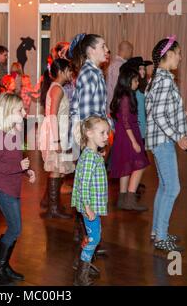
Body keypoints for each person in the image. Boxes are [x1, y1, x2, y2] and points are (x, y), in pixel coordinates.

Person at [145, 35, 187, 252]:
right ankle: (161, 236)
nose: (181, 57)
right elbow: (158, 114)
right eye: (178, 53)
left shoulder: (158, 77)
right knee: (173, 188)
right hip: (163, 141)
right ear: (168, 55)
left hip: (159, 140)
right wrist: (178, 136)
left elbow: (161, 111)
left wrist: (182, 114)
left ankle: (158, 231)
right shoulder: (165, 78)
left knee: (165, 186)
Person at [0, 93, 36, 285]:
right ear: (8, 113)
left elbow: (15, 161)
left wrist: (27, 171)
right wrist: (19, 168)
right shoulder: (2, 136)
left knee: (14, 228)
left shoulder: (14, 134)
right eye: (20, 110)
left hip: (12, 187)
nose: (24, 113)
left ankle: (3, 266)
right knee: (15, 228)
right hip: (2, 188)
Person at [72, 116, 110, 286]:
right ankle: (81, 276)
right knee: (94, 238)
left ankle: (81, 263)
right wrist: (87, 207)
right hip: (90, 206)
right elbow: (83, 184)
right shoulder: (88, 158)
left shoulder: (92, 154)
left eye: (107, 133)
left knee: (92, 236)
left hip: (91, 205)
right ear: (89, 133)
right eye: (102, 132)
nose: (106, 136)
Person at [109, 67, 150, 211]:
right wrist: (134, 142)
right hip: (129, 135)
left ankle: (122, 200)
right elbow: (126, 121)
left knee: (126, 167)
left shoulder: (124, 96)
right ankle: (130, 199)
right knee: (140, 164)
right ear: (127, 81)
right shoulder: (126, 97)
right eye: (135, 80)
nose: (137, 83)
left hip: (125, 135)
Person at [39, 58, 75, 218]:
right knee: (55, 169)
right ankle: (52, 209)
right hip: (55, 132)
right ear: (61, 71)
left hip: (59, 131)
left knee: (59, 170)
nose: (71, 72)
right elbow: (52, 114)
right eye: (69, 69)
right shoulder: (57, 89)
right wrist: (56, 141)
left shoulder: (57, 87)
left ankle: (53, 205)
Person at [106, 41, 133, 114]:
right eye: (131, 51)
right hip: (117, 107)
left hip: (112, 105)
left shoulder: (114, 63)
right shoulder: (120, 66)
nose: (131, 54)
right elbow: (118, 88)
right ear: (127, 50)